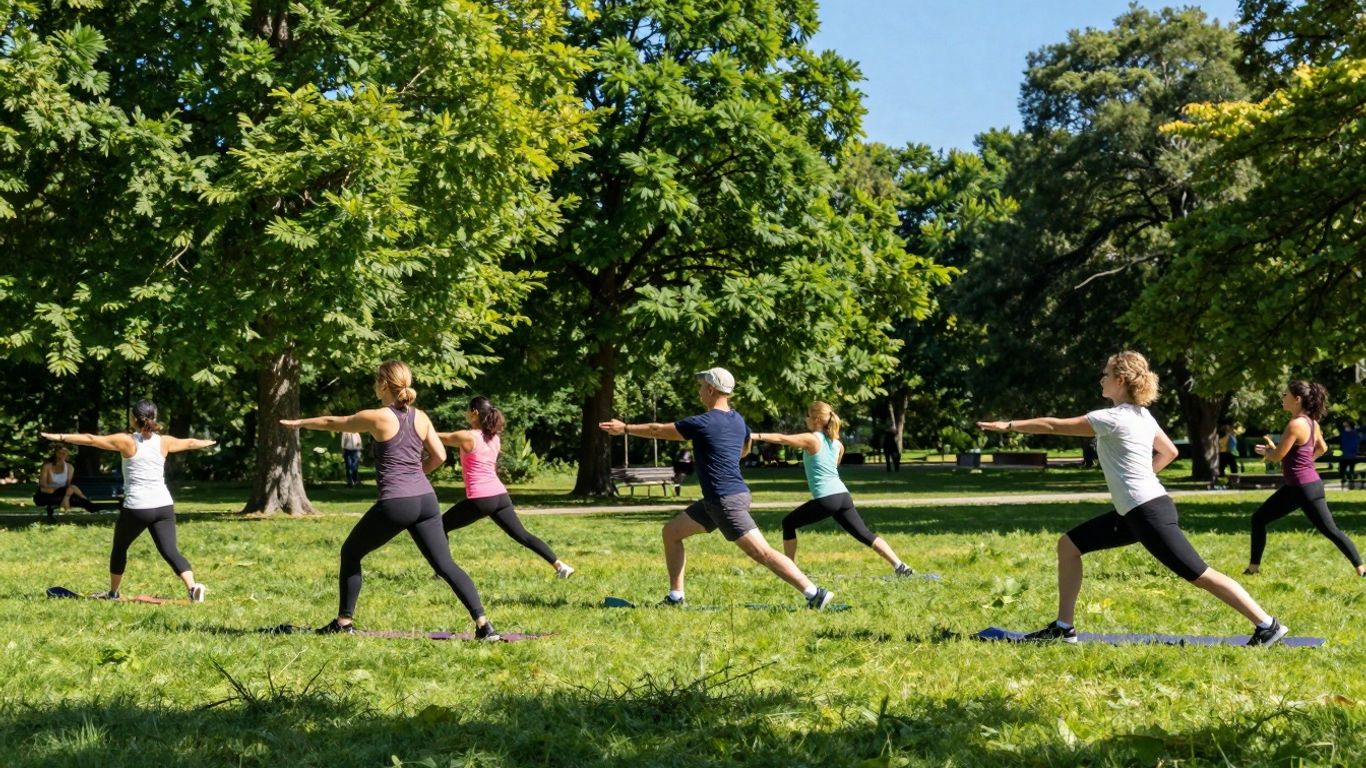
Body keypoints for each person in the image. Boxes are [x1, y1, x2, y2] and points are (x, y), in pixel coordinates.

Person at [976, 351, 1289, 646]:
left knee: (1199, 574)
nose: (1101, 379)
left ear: (1121, 380)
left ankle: (1267, 625)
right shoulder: (1142, 416)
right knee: (1069, 545)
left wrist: (1010, 425)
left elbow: (1054, 425)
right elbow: (1170, 452)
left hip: (1147, 514)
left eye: (1106, 374)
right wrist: (1142, 480)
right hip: (1138, 510)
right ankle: (1063, 627)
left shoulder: (1112, 419)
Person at [281, 360, 499, 639]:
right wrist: (414, 475)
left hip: (398, 503)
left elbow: (334, 422)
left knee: (350, 553)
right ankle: (484, 626)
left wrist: (299, 422)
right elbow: (440, 456)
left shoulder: (379, 417)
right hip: (426, 500)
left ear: (383, 384)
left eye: (376, 380)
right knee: (445, 565)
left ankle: (344, 623)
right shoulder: (420, 417)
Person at [599, 367, 837, 610]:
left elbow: (658, 430)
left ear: (711, 389)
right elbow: (744, 449)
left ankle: (814, 593)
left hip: (725, 500)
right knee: (671, 533)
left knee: (762, 553)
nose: (700, 391)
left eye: (701, 386)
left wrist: (625, 428)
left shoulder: (702, 422)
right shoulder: (737, 419)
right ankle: (675, 597)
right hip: (721, 499)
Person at [40, 400, 214, 602]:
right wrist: (206, 442)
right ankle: (193, 587)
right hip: (164, 506)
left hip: (138, 508)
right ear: (154, 418)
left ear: (133, 419)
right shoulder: (164, 441)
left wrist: (60, 437)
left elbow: (90, 439)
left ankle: (113, 593)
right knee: (170, 550)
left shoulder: (126, 441)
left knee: (120, 548)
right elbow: (190, 443)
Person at [752, 402, 914, 576]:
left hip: (826, 498)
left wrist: (754, 435)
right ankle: (899, 565)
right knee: (864, 533)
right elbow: (832, 466)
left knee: (788, 523)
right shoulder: (838, 444)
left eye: (807, 415)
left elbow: (782, 439)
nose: (805, 418)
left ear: (815, 418)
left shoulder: (812, 439)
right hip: (843, 496)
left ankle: (790, 570)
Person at [438, 396, 575, 578]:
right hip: (500, 496)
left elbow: (439, 437)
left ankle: (443, 573)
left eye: (467, 410)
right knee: (522, 535)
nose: (466, 413)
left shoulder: (467, 436)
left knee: (439, 526)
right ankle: (560, 565)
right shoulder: (494, 439)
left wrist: (414, 427)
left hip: (481, 498)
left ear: (474, 413)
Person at [1245, 382, 1365, 578]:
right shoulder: (1312, 422)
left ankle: (1362, 569)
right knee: (1259, 519)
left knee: (1330, 530)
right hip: (1302, 486)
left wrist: (1266, 451)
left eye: (1286, 395)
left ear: (1297, 399)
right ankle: (1253, 568)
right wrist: (1305, 462)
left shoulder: (1295, 424)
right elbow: (1322, 448)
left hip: (1303, 488)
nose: (1283, 397)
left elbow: (1277, 456)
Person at [33, 444, 97, 517]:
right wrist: (54, 490)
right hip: (47, 493)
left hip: (62, 492)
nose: (62, 455)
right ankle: (90, 506)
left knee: (72, 489)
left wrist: (66, 494)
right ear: (55, 454)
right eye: (60, 453)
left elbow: (67, 485)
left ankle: (89, 506)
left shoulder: (70, 467)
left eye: (65, 453)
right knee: (72, 492)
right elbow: (42, 484)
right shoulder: (47, 466)